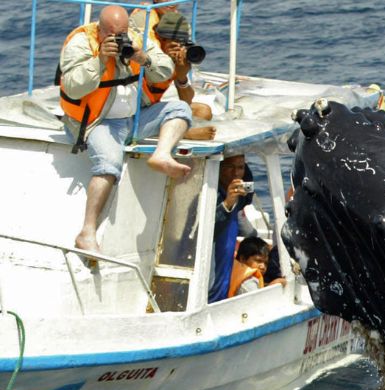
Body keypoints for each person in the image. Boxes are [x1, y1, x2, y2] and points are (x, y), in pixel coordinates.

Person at [58, 4, 193, 252]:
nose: (119, 39)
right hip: (97, 121)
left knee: (181, 110)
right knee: (109, 164)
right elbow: (73, 87)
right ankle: (87, 232)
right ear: (100, 29)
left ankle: (161, 154)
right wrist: (100, 60)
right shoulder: (81, 43)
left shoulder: (135, 39)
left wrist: (145, 59)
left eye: (122, 32)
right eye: (112, 34)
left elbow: (166, 69)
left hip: (132, 118)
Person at [150, 10, 216, 140]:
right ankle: (183, 133)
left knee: (203, 111)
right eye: (173, 41)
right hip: (138, 110)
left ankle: (176, 129)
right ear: (160, 38)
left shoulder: (176, 58)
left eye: (181, 42)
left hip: (154, 106)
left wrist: (181, 76)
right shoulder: (150, 52)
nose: (177, 46)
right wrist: (163, 62)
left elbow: (186, 101)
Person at [208, 153, 257, 302]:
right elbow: (206, 232)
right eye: (230, 167)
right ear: (219, 167)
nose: (236, 173)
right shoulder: (210, 195)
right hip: (210, 279)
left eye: (240, 168)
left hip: (223, 277)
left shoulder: (237, 196)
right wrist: (227, 204)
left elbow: (248, 194)